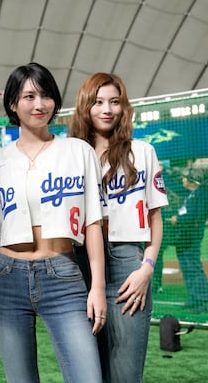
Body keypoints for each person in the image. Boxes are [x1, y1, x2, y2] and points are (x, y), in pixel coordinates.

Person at [0, 62, 106, 383]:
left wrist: (98, 288)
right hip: (7, 277)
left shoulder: (78, 151)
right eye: (29, 96)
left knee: (87, 377)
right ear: (12, 104)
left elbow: (93, 225)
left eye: (46, 95)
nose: (39, 105)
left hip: (62, 275)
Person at [68, 72, 169, 382]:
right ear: (85, 106)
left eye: (114, 101)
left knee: (125, 374)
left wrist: (147, 268)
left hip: (128, 265)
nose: (107, 109)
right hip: (79, 264)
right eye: (98, 102)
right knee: (88, 372)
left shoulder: (143, 151)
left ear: (124, 108)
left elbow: (155, 218)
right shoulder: (70, 155)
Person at [171, 168, 208, 312]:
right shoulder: (191, 194)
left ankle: (203, 300)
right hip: (183, 237)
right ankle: (193, 299)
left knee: (194, 268)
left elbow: (196, 215)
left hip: (192, 236)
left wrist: (178, 219)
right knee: (187, 269)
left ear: (192, 181)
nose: (182, 180)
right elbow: (174, 187)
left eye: (185, 178)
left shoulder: (202, 193)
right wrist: (162, 173)